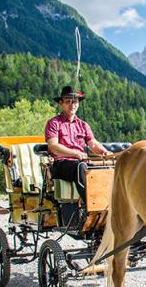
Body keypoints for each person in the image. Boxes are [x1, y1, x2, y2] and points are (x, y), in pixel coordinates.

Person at [45, 85, 110, 224]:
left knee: (103, 168)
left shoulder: (83, 125)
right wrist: (75, 153)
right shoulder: (54, 123)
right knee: (81, 166)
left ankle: (109, 204)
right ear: (61, 103)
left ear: (78, 103)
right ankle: (90, 206)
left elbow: (93, 144)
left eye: (75, 101)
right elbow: (53, 146)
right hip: (61, 165)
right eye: (68, 101)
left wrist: (104, 152)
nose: (72, 104)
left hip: (79, 163)